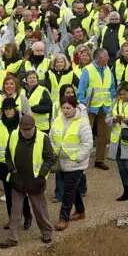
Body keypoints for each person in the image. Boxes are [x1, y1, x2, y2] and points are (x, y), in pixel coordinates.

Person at [0, 114, 55, 248]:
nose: (27, 132)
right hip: (18, 179)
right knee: (15, 210)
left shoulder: (43, 138)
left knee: (40, 209)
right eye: (24, 130)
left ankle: (47, 233)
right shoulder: (13, 135)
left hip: (36, 180)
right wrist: (11, 168)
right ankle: (13, 238)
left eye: (29, 129)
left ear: (34, 127)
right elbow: (7, 154)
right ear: (20, 128)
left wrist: (41, 175)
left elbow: (50, 158)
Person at [50, 97, 92, 229]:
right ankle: (80, 211)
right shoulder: (57, 120)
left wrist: (79, 157)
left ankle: (63, 218)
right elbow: (51, 136)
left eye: (68, 108)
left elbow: (88, 143)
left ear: (75, 107)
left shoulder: (82, 123)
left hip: (76, 163)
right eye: (63, 108)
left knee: (67, 191)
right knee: (73, 188)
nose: (65, 110)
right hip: (61, 161)